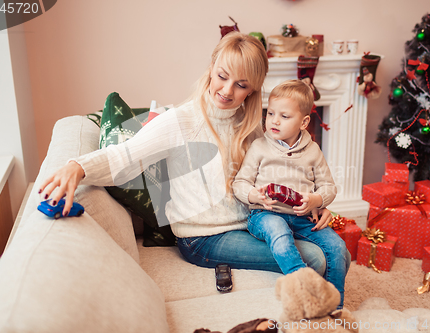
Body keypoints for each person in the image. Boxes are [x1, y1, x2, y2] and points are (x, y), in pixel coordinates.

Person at [38, 32, 335, 279]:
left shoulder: (251, 126)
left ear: (252, 91)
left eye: (241, 85)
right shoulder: (180, 121)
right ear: (211, 67)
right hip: (203, 239)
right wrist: (77, 167)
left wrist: (313, 202)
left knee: (329, 246)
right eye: (222, 76)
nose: (227, 90)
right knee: (312, 258)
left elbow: (279, 172)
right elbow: (125, 156)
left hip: (253, 222)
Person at [232, 80, 349, 309]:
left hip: (303, 218)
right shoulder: (259, 147)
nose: (274, 120)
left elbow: (328, 187)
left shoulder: (313, 151)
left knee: (337, 248)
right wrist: (254, 196)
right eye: (271, 113)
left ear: (304, 122)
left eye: (284, 116)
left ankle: (335, 309)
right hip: (265, 215)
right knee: (279, 232)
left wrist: (316, 200)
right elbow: (240, 183)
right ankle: (304, 289)